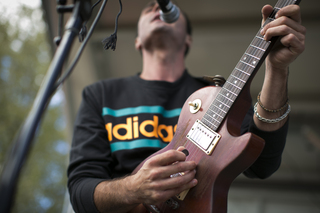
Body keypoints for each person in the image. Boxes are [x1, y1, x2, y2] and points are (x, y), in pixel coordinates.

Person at [67, 1, 306, 213]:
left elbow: (262, 163)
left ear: (188, 39)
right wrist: (134, 188)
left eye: (168, 8)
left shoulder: (217, 97)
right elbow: (80, 192)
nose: (156, 7)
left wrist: (276, 69)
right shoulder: (101, 95)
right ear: (137, 41)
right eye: (148, 8)